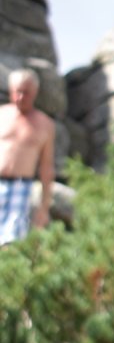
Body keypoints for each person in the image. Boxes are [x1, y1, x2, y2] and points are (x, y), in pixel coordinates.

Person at [0, 67, 56, 243]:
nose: (21, 97)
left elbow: (46, 167)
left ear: (35, 93)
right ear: (10, 90)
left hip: (21, 187)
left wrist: (44, 208)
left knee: (12, 242)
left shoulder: (44, 124)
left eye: (27, 93)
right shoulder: (2, 115)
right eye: (18, 92)